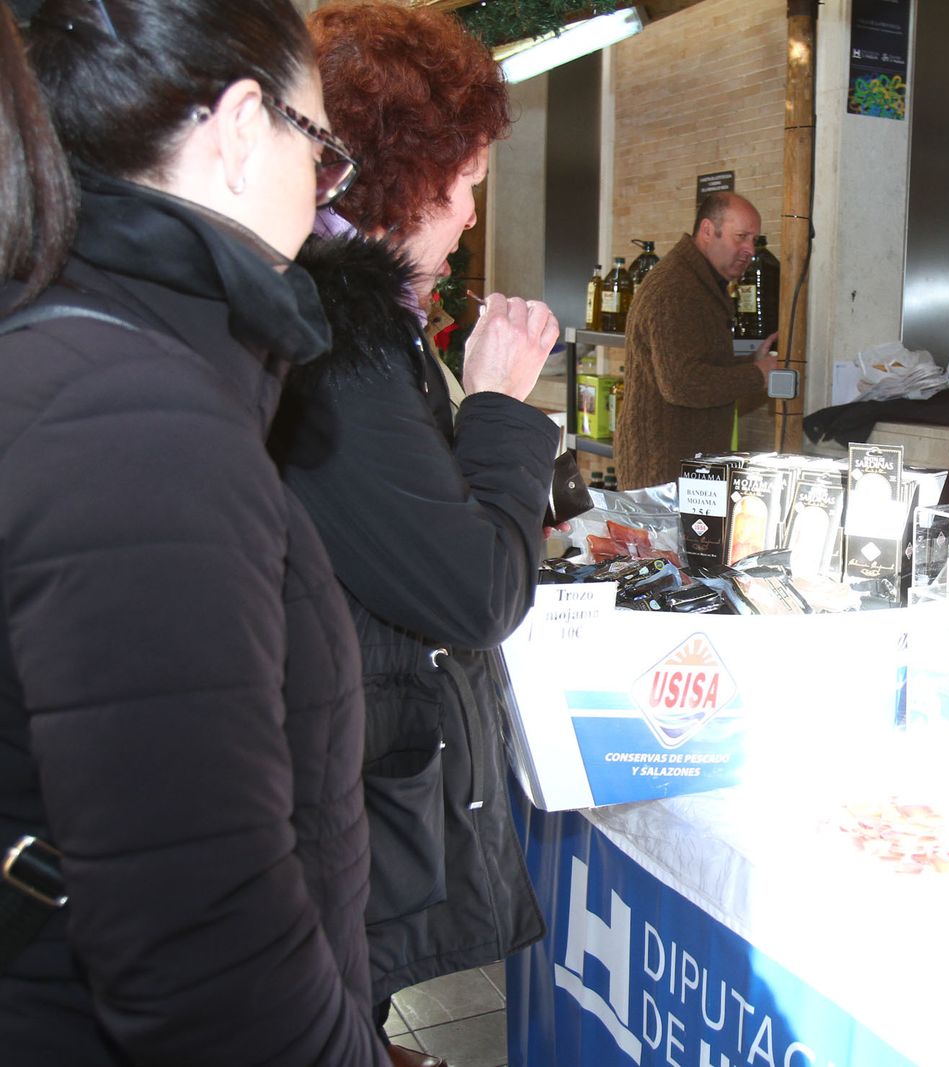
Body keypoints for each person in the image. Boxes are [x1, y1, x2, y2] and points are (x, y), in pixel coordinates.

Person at [0, 1, 385, 1064]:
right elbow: (207, 960)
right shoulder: (134, 421)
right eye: (323, 152)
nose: (324, 194)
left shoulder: (75, 351)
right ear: (239, 127)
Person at [271, 5, 560, 1065]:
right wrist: (497, 406)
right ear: (408, 173)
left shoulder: (341, 313)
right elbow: (473, 585)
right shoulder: (334, 337)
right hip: (340, 773)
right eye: (470, 179)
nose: (472, 213)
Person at [614, 191, 779, 489]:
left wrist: (749, 364)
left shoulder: (698, 284)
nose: (749, 250)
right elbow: (682, 383)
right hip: (663, 476)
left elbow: (695, 364)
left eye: (753, 240)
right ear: (707, 231)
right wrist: (757, 375)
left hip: (680, 469)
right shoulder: (675, 288)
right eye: (740, 237)